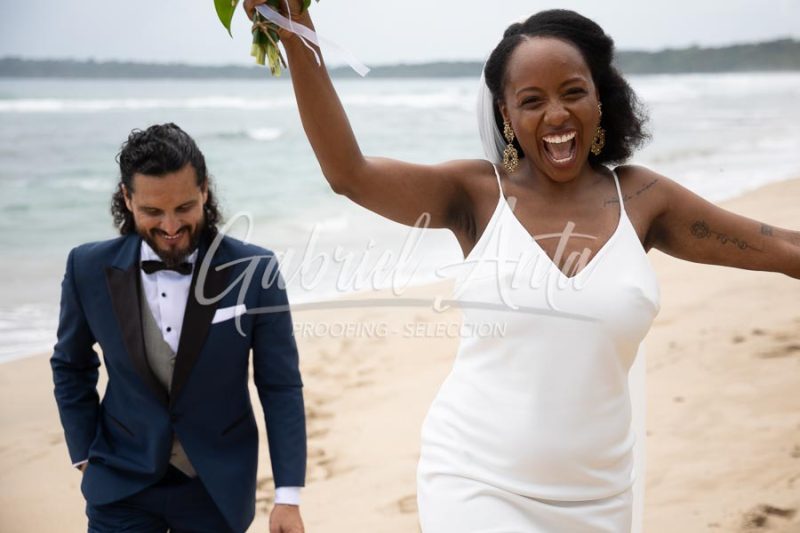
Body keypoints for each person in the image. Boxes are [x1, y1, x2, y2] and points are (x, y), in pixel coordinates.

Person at [244, 3, 800, 531]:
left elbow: (781, 249)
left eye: (573, 93)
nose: (556, 114)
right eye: (532, 100)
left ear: (600, 99)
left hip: (599, 499)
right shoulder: (473, 196)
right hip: (476, 482)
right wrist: (296, 31)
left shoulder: (646, 200)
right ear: (506, 115)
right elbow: (350, 173)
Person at [50, 123, 307, 533]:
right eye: (152, 211)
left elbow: (279, 385)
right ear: (127, 199)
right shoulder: (86, 268)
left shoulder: (256, 271)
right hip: (121, 484)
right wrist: (82, 452)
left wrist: (287, 496)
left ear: (205, 191)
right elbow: (70, 365)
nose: (170, 227)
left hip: (216, 488)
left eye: (184, 207)